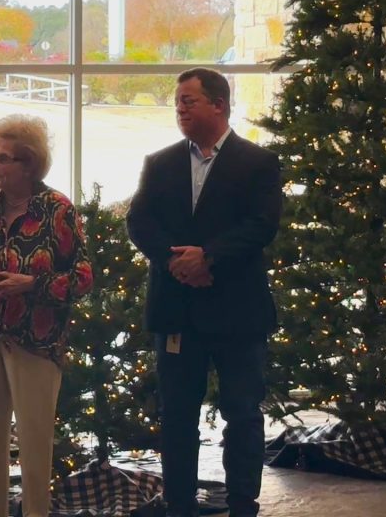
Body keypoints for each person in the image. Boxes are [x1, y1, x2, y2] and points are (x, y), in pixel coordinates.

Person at [126, 68, 282, 517]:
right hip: (177, 309)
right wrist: (178, 262)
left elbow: (261, 226)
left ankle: (242, 505)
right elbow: (140, 222)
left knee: (243, 414)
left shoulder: (258, 163)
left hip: (238, 311)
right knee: (177, 417)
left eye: (189, 100)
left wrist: (207, 257)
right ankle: (179, 505)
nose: (180, 108)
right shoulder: (160, 163)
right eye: (177, 101)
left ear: (219, 104)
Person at [0, 114, 93, 517]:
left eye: (3, 158)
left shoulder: (57, 210)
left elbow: (82, 279)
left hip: (37, 341)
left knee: (34, 442)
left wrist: (30, 284)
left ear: (29, 164)